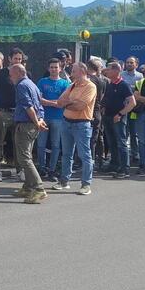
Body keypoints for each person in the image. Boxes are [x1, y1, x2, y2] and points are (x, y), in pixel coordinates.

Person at [56, 62, 97, 195]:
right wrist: (69, 103)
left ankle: (86, 184)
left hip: (82, 124)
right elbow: (59, 101)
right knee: (67, 154)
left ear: (82, 72)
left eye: (74, 71)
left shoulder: (91, 87)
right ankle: (64, 181)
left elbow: (81, 106)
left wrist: (66, 104)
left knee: (85, 155)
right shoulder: (72, 85)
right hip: (66, 122)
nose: (71, 73)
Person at [11, 64, 49, 203]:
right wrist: (40, 120)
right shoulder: (32, 84)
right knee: (25, 156)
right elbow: (40, 105)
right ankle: (27, 186)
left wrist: (36, 121)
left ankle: (39, 189)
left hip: (26, 125)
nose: (10, 77)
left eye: (11, 74)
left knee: (24, 158)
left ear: (18, 73)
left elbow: (29, 106)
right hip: (33, 125)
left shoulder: (21, 86)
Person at [0, 48, 25, 182]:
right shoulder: (2, 73)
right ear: (10, 59)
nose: (17, 61)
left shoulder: (25, 74)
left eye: (20, 59)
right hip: (3, 112)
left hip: (18, 113)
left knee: (18, 143)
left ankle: (20, 169)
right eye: (15, 58)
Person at [35, 58, 71, 180]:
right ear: (48, 68)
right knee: (41, 144)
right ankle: (41, 168)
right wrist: (55, 103)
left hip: (58, 118)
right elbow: (39, 99)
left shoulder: (65, 84)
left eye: (56, 67)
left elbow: (65, 101)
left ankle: (52, 169)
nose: (54, 69)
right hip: (43, 117)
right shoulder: (42, 82)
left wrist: (50, 103)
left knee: (56, 145)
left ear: (60, 69)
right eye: (51, 67)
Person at [102, 61, 136, 179]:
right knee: (112, 143)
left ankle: (124, 169)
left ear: (116, 71)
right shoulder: (109, 84)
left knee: (121, 143)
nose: (107, 71)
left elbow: (132, 103)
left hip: (118, 118)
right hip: (107, 117)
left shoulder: (123, 85)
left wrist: (120, 114)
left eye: (109, 69)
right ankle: (114, 164)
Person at [86, 57, 109, 169]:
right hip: (97, 111)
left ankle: (92, 161)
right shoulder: (100, 80)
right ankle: (95, 160)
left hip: (92, 111)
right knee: (95, 137)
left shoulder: (90, 81)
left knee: (92, 138)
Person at [123, 56, 144, 161]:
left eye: (131, 63)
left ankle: (135, 153)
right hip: (124, 108)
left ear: (136, 64)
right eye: (127, 62)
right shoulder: (121, 75)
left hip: (135, 108)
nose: (129, 64)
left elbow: (140, 91)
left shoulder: (140, 76)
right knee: (124, 132)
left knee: (134, 132)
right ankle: (124, 154)